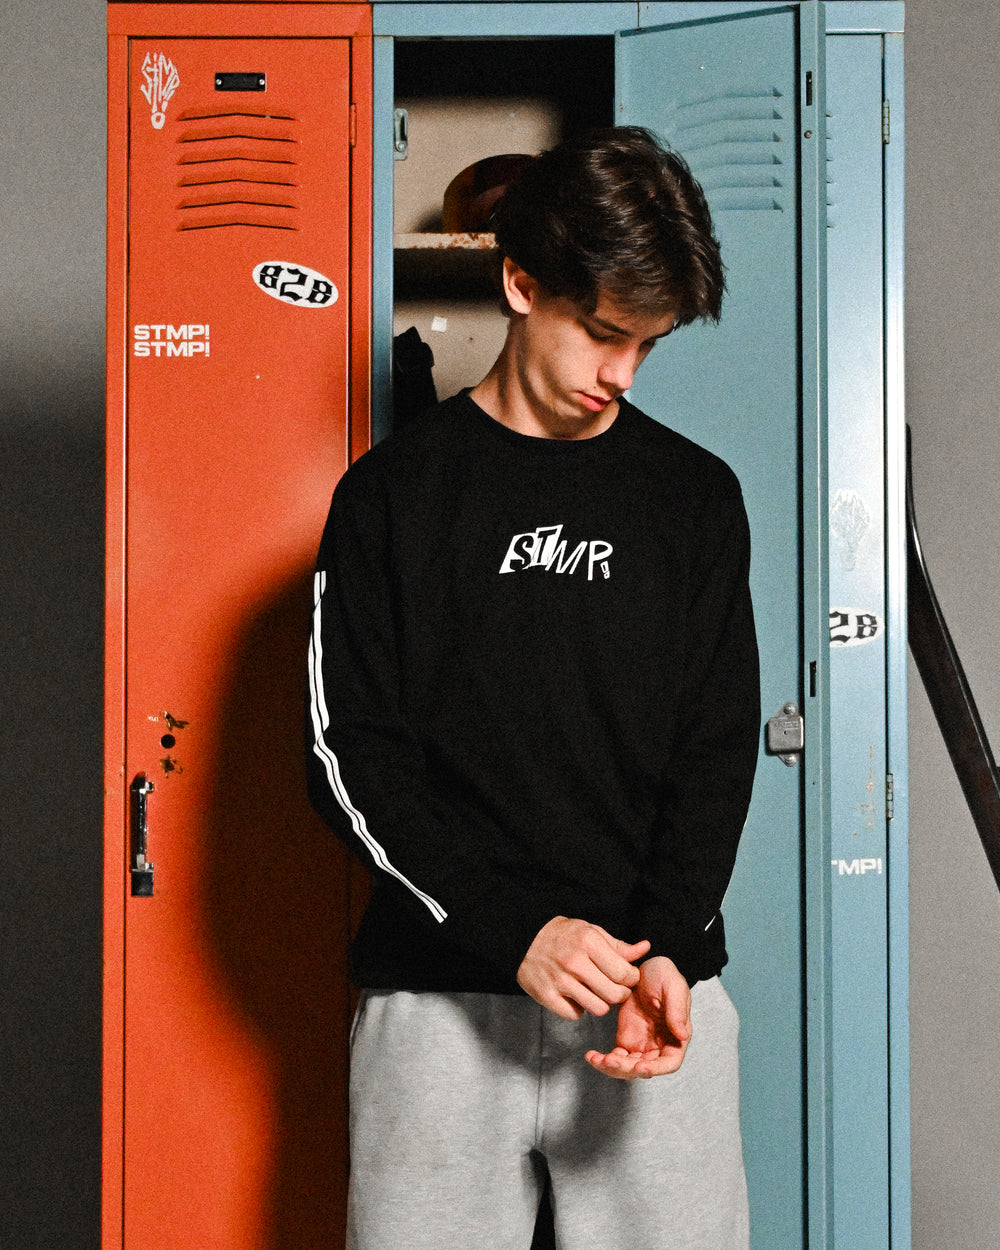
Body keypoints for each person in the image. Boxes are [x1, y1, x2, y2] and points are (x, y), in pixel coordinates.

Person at [307, 126, 760, 1250]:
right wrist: (514, 930)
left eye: (647, 346)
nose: (621, 375)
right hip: (438, 1005)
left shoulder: (696, 500)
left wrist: (666, 942)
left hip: (649, 990)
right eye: (602, 333)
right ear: (520, 283)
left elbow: (714, 749)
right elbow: (349, 755)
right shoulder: (390, 498)